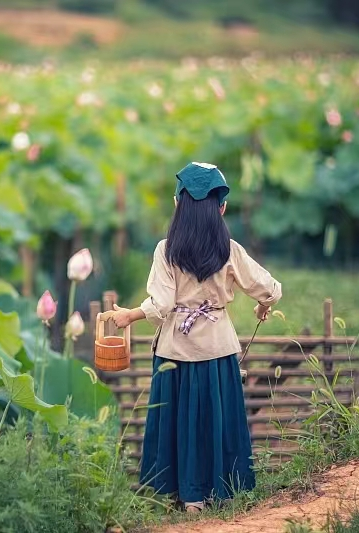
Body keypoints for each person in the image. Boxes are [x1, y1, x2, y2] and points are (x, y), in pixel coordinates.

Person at [110, 162, 282, 512]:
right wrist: (264, 307)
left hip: (176, 350)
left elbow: (161, 304)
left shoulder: (166, 250)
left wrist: (129, 314)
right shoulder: (230, 250)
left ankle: (186, 497)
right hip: (217, 348)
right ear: (222, 208)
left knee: (179, 421)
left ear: (177, 205)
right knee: (213, 420)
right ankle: (218, 491)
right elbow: (270, 288)